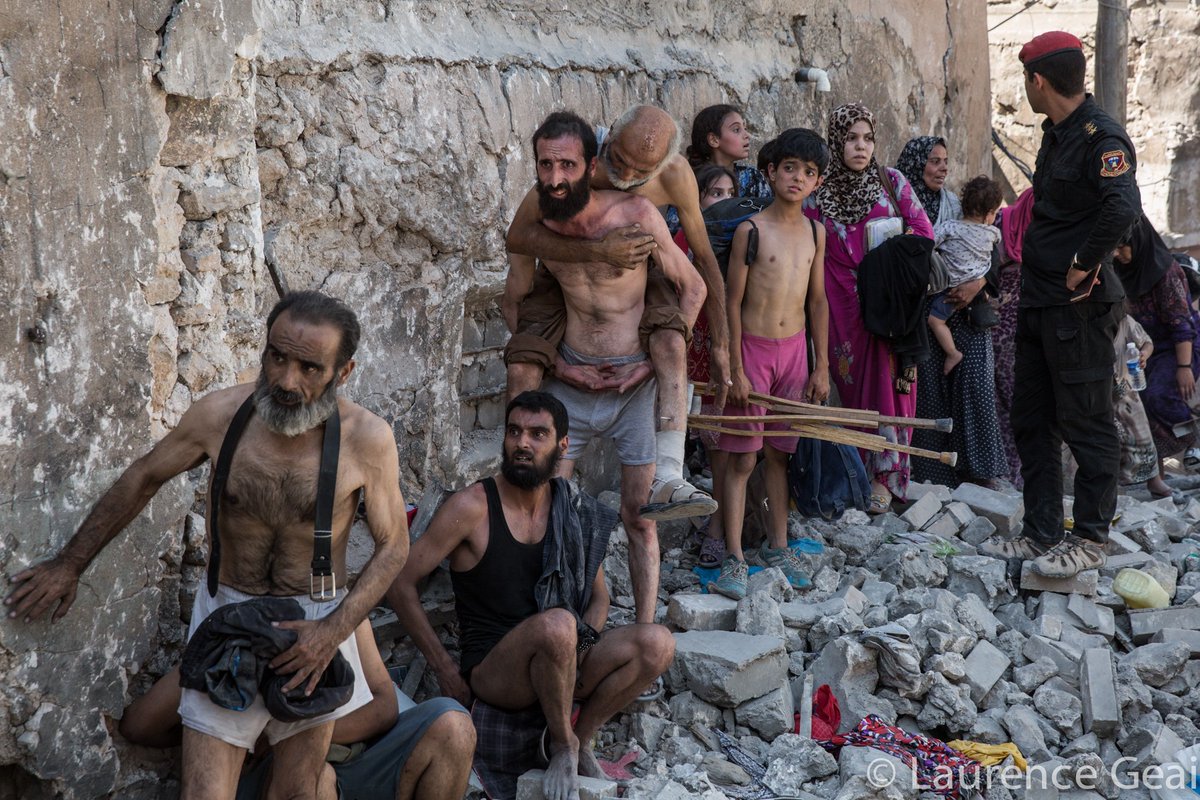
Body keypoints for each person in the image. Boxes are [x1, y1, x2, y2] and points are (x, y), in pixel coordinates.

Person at [6, 291, 411, 800]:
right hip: (228, 614)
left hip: (314, 622)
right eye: (277, 357)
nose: (286, 380)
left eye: (309, 367)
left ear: (343, 372)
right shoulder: (219, 415)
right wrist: (70, 564)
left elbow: (394, 544)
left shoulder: (367, 439)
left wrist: (332, 632)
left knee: (297, 791)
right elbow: (143, 477)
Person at [387, 392, 676, 800]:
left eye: (538, 434)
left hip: (561, 648)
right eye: (514, 432)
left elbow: (599, 600)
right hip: (495, 670)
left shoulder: (568, 506)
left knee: (657, 643)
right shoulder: (472, 506)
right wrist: (445, 669)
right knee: (558, 624)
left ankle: (579, 738)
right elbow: (400, 583)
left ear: (562, 445)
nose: (522, 443)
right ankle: (562, 746)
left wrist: (578, 652)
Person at [509, 111, 705, 624]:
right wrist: (555, 365)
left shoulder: (637, 211)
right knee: (547, 511)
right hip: (570, 380)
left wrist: (652, 368)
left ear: (591, 164)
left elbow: (695, 286)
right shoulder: (539, 216)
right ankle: (550, 624)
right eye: (545, 165)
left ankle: (643, 628)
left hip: (633, 385)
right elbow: (516, 299)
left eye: (567, 165)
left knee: (641, 518)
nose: (555, 178)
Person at [978, 31, 1141, 578]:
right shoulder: (1057, 134)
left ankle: (1091, 537)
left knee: (1086, 420)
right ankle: (1041, 531)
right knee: (1033, 418)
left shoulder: (1101, 137)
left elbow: (1123, 206)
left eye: (1026, 80)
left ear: (1037, 81)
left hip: (1079, 304)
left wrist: (1085, 260)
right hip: (1041, 299)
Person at [119, 620, 476, 800]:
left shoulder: (341, 604)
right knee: (315, 780)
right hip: (278, 780)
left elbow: (384, 706)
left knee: (454, 725)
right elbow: (139, 725)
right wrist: (224, 738)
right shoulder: (237, 619)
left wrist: (291, 736)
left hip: (359, 761)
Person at [706, 128, 830, 599]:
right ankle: (735, 557)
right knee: (741, 458)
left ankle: (778, 544)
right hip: (754, 352)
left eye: (809, 172)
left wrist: (820, 367)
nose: (798, 177)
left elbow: (817, 302)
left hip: (795, 355)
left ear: (817, 182)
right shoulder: (750, 231)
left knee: (780, 455)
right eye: (790, 168)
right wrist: (732, 366)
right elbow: (731, 303)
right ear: (771, 172)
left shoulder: (816, 232)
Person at [804, 103, 934, 514]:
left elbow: (923, 233)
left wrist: (886, 259)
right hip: (841, 309)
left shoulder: (891, 182)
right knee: (855, 389)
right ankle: (855, 472)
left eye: (868, 138)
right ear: (836, 142)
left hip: (891, 307)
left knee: (893, 386)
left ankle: (887, 476)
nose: (861, 147)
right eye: (851, 138)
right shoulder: (817, 196)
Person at [909, 169, 1008, 488]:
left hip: (967, 315)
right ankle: (933, 472)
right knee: (930, 390)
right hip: (932, 307)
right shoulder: (906, 202)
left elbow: (996, 267)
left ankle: (978, 470)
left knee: (976, 387)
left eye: (945, 161)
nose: (941, 168)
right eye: (932, 161)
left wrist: (976, 284)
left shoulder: (951, 220)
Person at [1114, 216, 1200, 490]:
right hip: (1142, 348)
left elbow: (1181, 324)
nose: (1117, 254)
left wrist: (1184, 368)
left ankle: (1191, 438)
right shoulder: (1121, 269)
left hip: (1176, 347)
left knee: (1158, 395)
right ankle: (1157, 480)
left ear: (1137, 244)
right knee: (1139, 407)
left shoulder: (1165, 273)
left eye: (1121, 248)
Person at [688, 163, 739, 569]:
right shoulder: (680, 238)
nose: (723, 201)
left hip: (729, 359)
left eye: (729, 193)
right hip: (689, 360)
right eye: (713, 194)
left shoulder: (743, 239)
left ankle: (718, 531)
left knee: (727, 450)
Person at [925, 176, 1002, 374]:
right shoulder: (993, 233)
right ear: (988, 214)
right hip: (978, 293)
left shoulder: (949, 227)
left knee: (934, 321)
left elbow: (929, 243)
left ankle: (952, 353)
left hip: (951, 292)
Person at [992, 187, 1036, 487]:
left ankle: (1009, 476)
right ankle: (1009, 476)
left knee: (1009, 403)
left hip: (1007, 328)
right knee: (1010, 403)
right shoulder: (1001, 224)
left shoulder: (1000, 221)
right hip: (1006, 329)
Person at [684, 104, 772, 199]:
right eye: (736, 130)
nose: (747, 135)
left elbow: (770, 212)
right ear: (714, 140)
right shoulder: (692, 183)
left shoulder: (753, 177)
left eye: (745, 129)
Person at [895, 135, 961, 227]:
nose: (945, 168)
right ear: (916, 164)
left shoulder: (952, 204)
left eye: (945, 161)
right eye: (935, 161)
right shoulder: (891, 201)